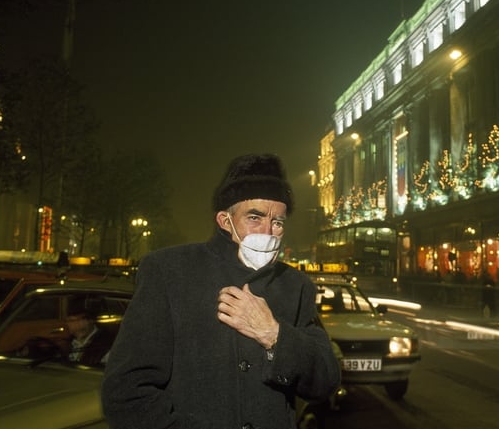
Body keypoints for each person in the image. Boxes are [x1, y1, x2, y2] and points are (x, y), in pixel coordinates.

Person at [101, 153, 341, 429]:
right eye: (255, 217)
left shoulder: (296, 285)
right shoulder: (170, 271)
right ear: (224, 220)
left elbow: (324, 382)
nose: (268, 231)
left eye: (278, 222)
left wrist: (274, 335)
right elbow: (125, 391)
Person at [65, 296, 112, 366]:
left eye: (77, 320)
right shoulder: (68, 344)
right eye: (70, 320)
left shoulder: (106, 346)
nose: (74, 324)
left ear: (90, 320)